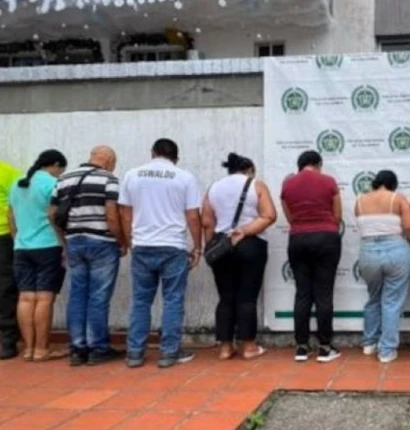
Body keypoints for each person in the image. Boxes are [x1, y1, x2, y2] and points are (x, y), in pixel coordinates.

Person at [119, 139, 202, 369]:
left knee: (141, 301)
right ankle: (169, 352)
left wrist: (130, 241)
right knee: (173, 300)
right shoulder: (184, 177)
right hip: (173, 246)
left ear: (153, 153)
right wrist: (197, 246)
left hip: (142, 245)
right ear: (176, 157)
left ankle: (135, 353)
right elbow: (193, 216)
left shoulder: (132, 175)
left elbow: (125, 213)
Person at [51, 146, 127, 366]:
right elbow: (112, 215)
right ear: (109, 161)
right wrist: (121, 240)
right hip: (102, 243)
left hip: (74, 242)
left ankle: (77, 348)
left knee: (77, 295)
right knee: (98, 296)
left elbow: (52, 213)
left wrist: (65, 240)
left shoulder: (64, 179)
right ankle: (97, 348)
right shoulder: (109, 179)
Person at [203, 153, 276, 361]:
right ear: (249, 169)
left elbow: (207, 223)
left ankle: (225, 348)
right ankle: (249, 347)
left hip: (222, 246)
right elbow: (269, 215)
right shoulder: (256, 185)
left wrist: (211, 248)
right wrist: (244, 231)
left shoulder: (213, 188)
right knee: (247, 297)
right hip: (250, 244)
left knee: (226, 297)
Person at [280, 151, 342, 363]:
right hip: (326, 237)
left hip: (298, 238)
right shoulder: (328, 181)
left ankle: (301, 347)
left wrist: (302, 225)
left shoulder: (288, 184)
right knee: (324, 294)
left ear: (300, 165)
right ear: (318, 164)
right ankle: (325, 347)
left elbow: (289, 216)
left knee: (302, 293)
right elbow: (337, 215)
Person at [8, 150, 68, 361]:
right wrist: (63, 242)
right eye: (61, 170)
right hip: (47, 245)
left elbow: (11, 216)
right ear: (56, 165)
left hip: (22, 247)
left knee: (25, 298)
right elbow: (55, 215)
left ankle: (28, 349)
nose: (60, 174)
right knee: (44, 298)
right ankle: (42, 349)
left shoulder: (17, 184)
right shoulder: (52, 184)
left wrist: (18, 239)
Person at [356, 170, 410, 364]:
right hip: (395, 249)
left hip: (368, 251)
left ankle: (369, 343)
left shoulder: (360, 201)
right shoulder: (397, 199)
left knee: (373, 298)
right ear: (393, 184)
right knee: (391, 302)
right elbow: (409, 227)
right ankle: (387, 350)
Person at [0, 161, 22, 359]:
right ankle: (7, 340)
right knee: (5, 288)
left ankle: (8, 339)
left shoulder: (7, 172)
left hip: (4, 235)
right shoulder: (8, 172)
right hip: (4, 236)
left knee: (5, 288)